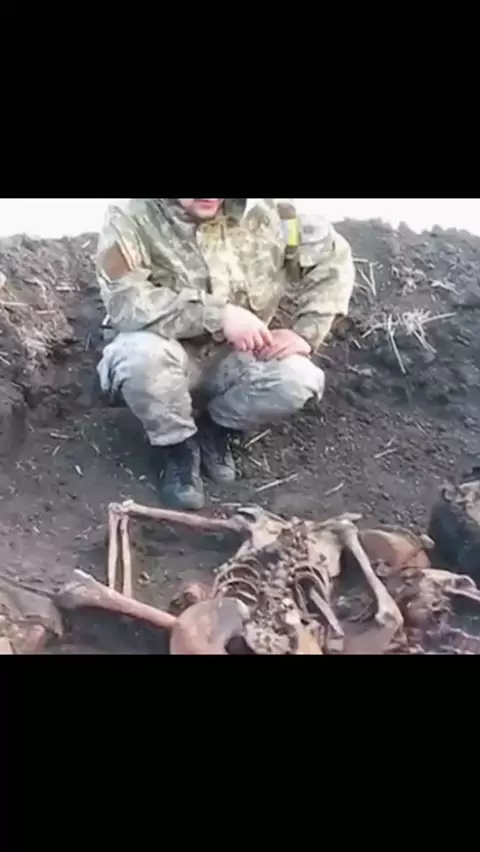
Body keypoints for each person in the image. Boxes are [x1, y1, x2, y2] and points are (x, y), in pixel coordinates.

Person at [95, 198, 355, 510]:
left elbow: (331, 257)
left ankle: (216, 430)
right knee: (139, 358)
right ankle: (175, 448)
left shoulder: (275, 216)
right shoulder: (130, 217)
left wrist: (306, 331)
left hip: (237, 358)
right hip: (166, 354)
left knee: (299, 378)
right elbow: (125, 300)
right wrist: (218, 316)